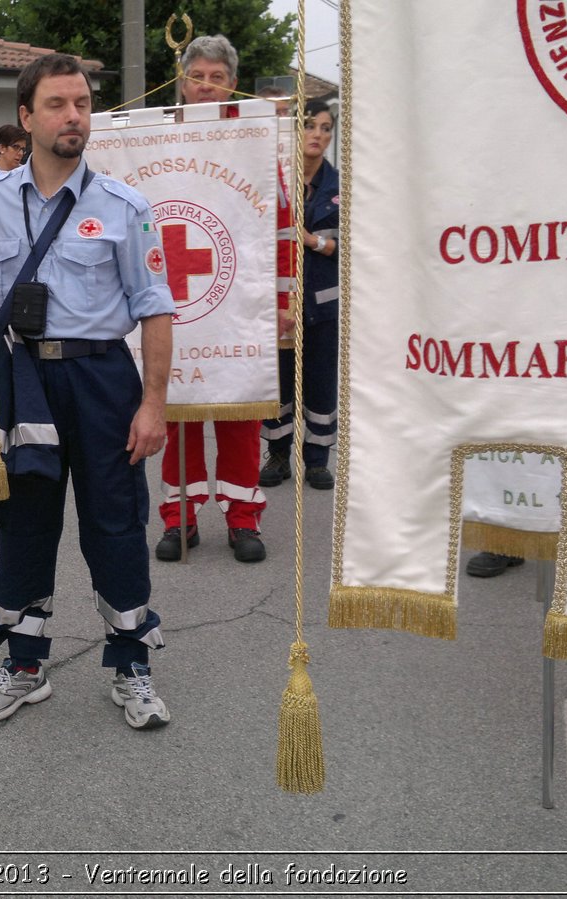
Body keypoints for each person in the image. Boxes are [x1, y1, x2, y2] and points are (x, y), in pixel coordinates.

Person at [0, 52, 174, 730]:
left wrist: (151, 404)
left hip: (101, 380)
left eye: (82, 104)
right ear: (25, 117)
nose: (73, 116)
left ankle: (131, 665)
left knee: (115, 521)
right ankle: (24, 664)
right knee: (22, 520)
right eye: (57, 104)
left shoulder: (125, 205)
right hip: (21, 379)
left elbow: (155, 308)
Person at [156, 35, 270, 563]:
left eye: (216, 78)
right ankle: (180, 519)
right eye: (197, 76)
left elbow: (279, 224)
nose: (205, 86)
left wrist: (283, 300)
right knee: (176, 414)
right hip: (180, 300)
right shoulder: (155, 141)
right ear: (181, 82)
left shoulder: (255, 141)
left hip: (240, 302)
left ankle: (243, 518)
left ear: (232, 84)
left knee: (241, 419)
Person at [259, 97, 340, 492]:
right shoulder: (276, 180)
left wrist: (314, 241)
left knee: (321, 381)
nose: (318, 135)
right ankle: (277, 454)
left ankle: (318, 459)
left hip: (323, 302)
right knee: (279, 381)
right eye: (310, 126)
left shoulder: (340, 184)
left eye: (326, 128)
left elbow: (357, 242)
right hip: (280, 303)